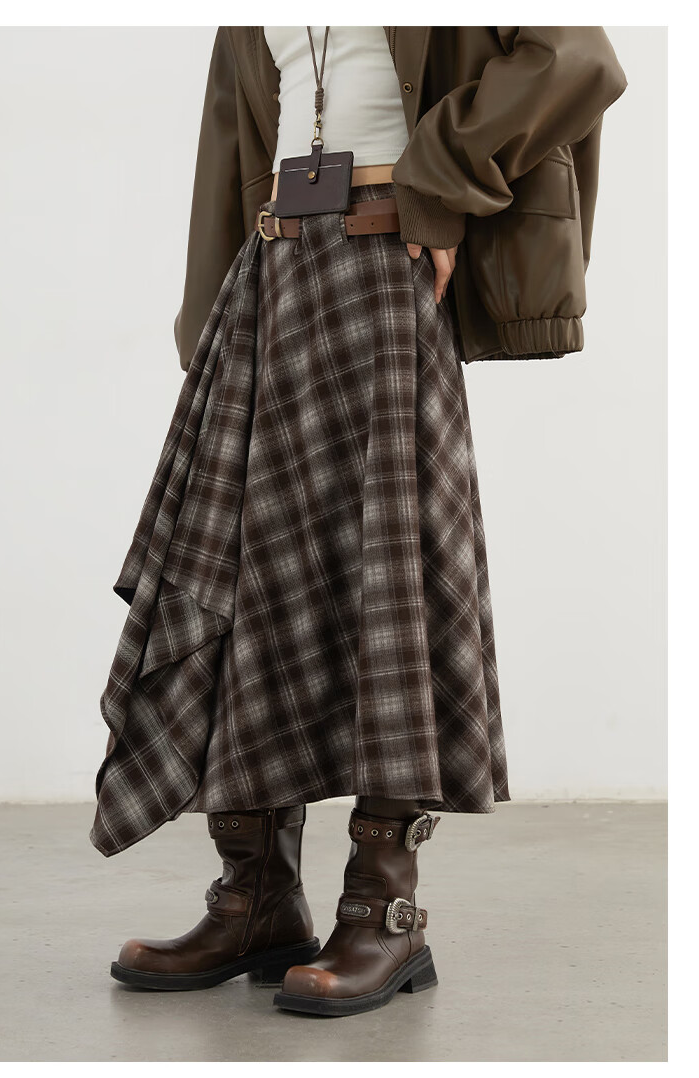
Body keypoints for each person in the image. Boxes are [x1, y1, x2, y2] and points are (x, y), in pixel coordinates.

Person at [91, 26, 627, 1017]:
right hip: (273, 269)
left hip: (392, 257)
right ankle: (256, 898)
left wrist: (438, 182)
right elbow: (232, 141)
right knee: (248, 580)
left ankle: (385, 911)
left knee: (393, 582)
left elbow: (575, 58)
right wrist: (211, 323)